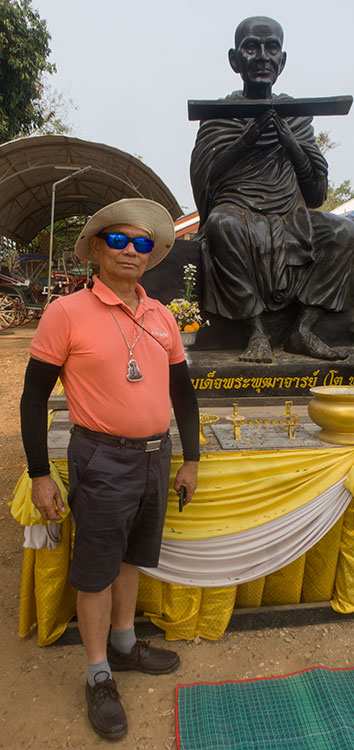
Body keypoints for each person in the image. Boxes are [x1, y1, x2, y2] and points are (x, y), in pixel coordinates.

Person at [20, 198, 200, 741]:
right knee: (97, 566)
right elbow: (32, 400)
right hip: (100, 455)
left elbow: (183, 394)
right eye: (118, 240)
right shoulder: (66, 313)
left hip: (155, 455)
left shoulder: (161, 314)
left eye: (142, 243)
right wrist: (39, 473)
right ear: (97, 248)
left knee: (131, 557)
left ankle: (124, 645)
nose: (130, 250)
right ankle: (98, 673)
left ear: (152, 255)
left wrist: (191, 458)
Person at [191, 16, 354, 364]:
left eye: (272, 49)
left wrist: (291, 144)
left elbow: (315, 194)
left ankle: (303, 330)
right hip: (237, 209)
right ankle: (256, 333)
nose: (263, 56)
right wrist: (246, 140)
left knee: (345, 231)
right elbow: (206, 178)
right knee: (222, 225)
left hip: (289, 214)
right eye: (252, 47)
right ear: (235, 60)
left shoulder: (296, 117)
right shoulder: (221, 114)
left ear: (282, 61)